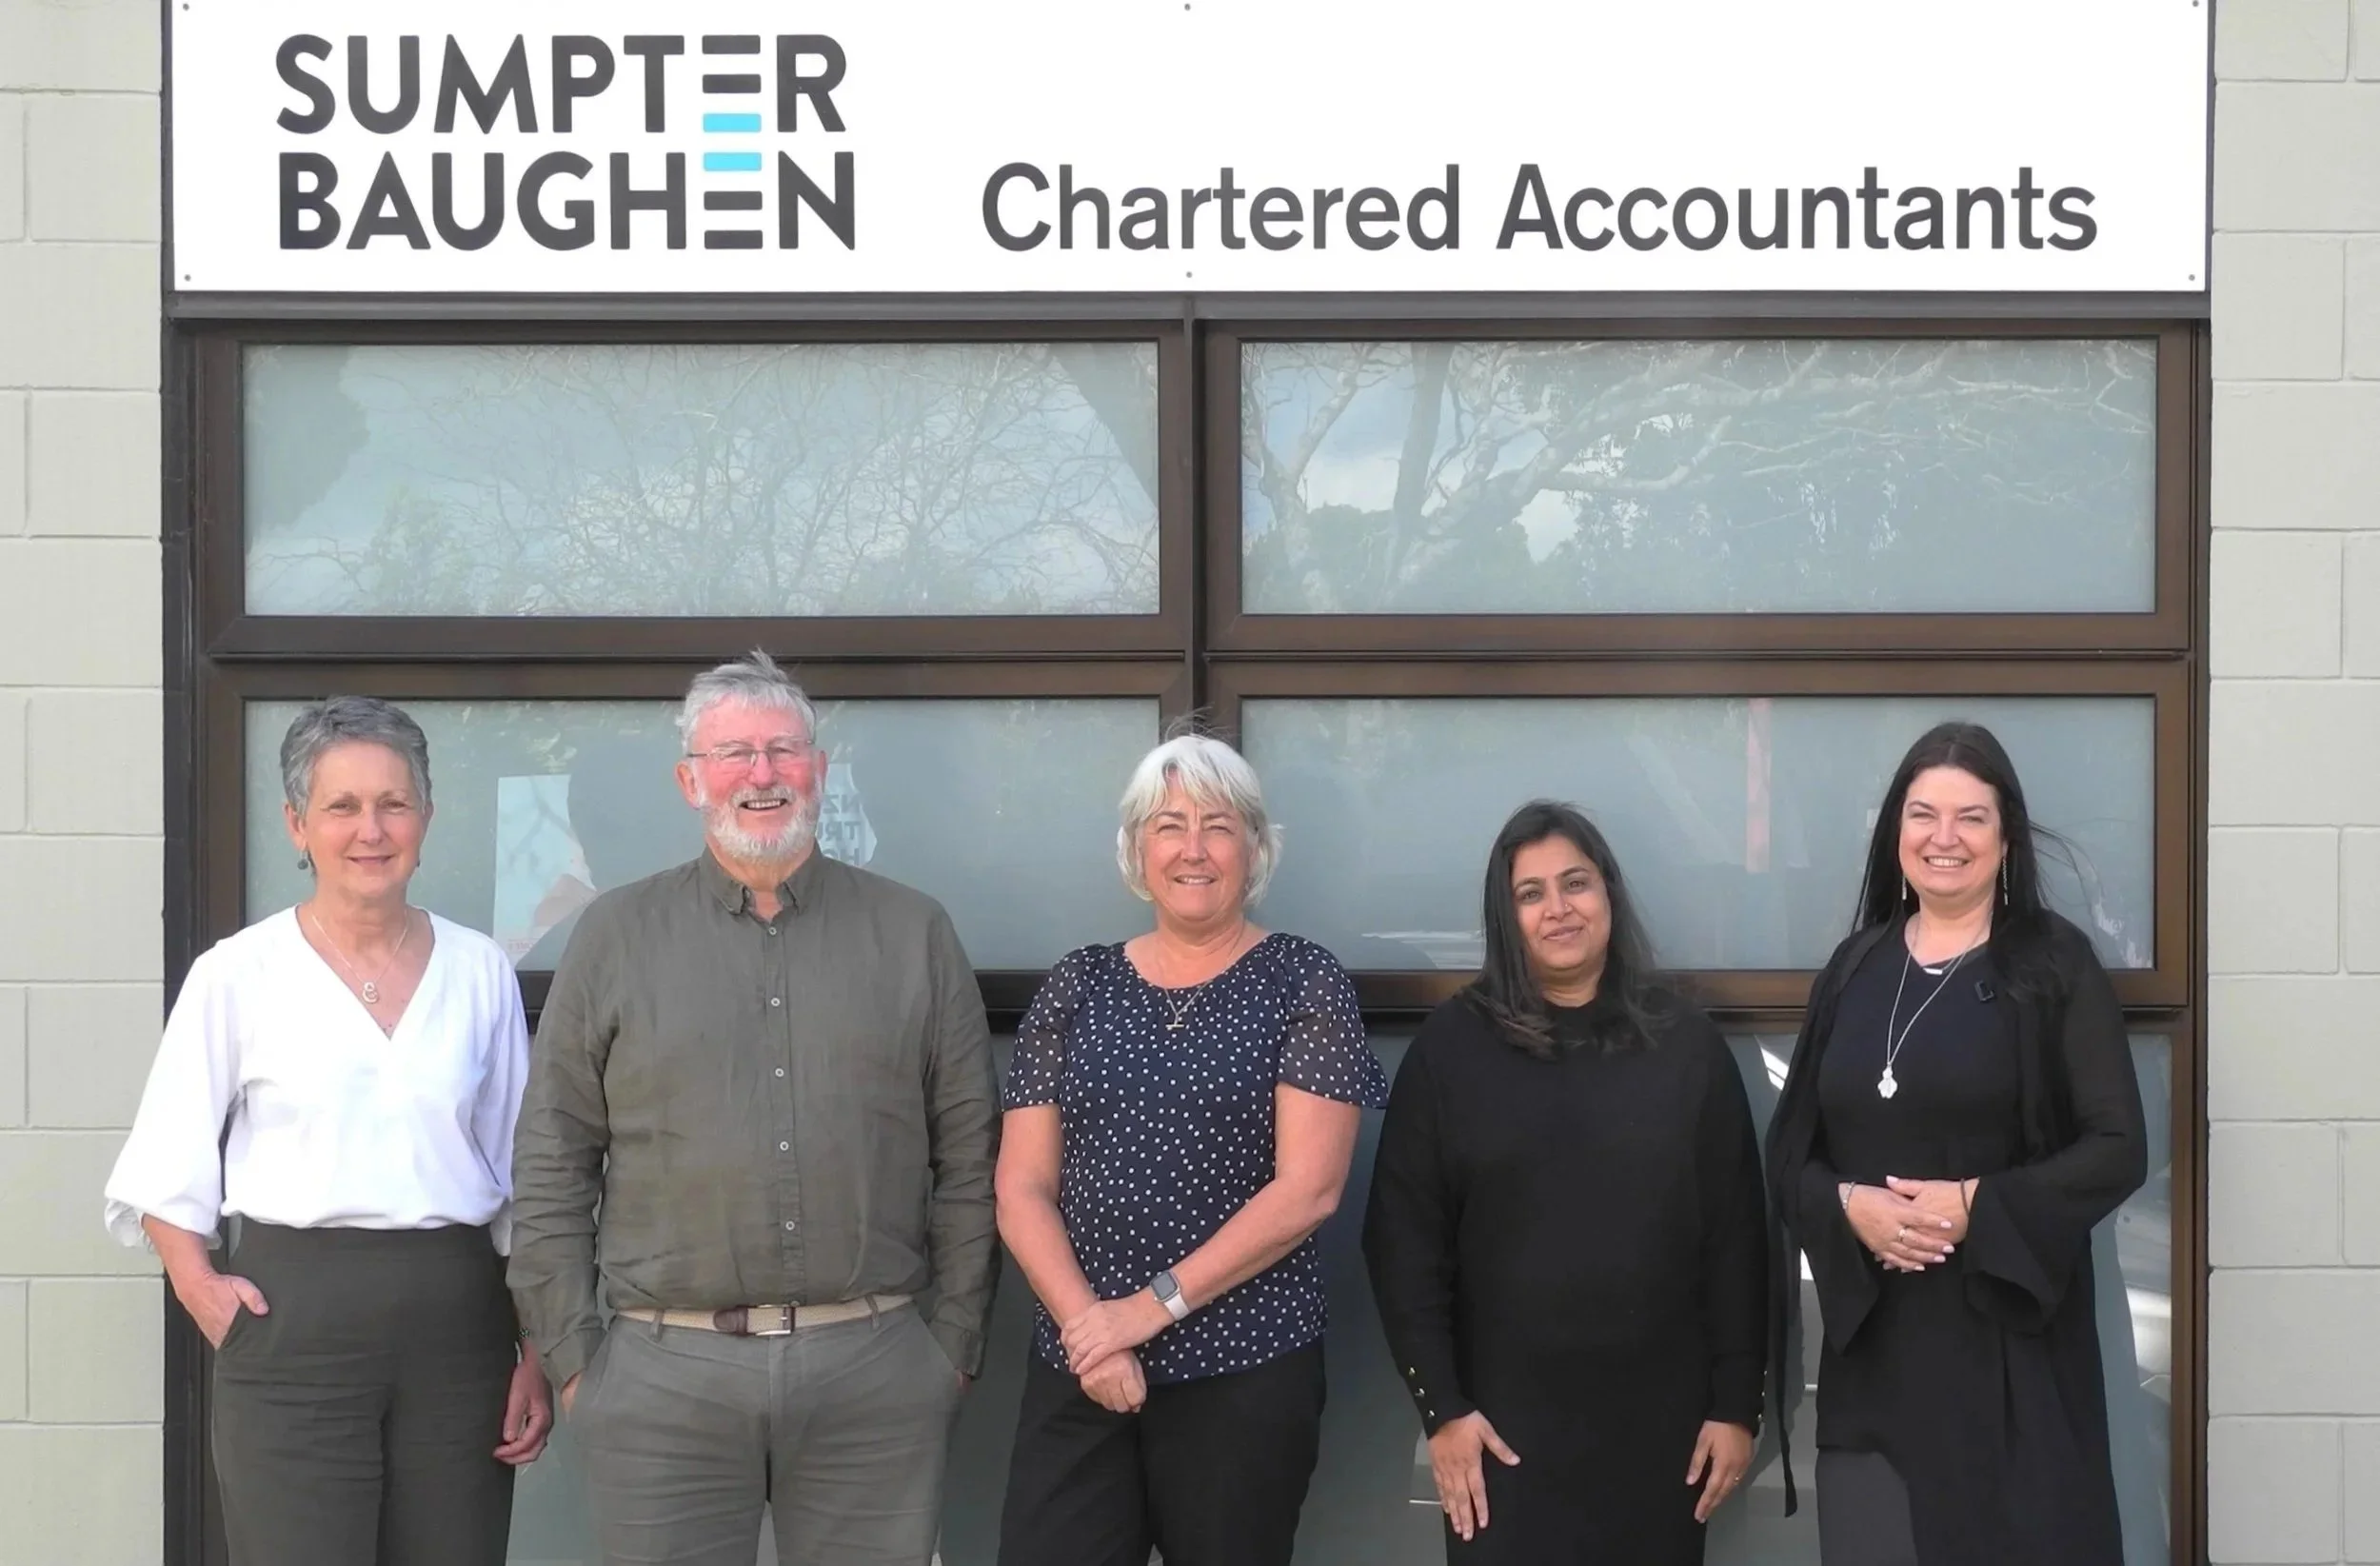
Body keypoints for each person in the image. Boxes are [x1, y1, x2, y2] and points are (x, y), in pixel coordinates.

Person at [508, 649, 999, 1566]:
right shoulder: (613, 935)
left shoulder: (914, 932)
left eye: (784, 749)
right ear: (690, 779)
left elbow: (970, 1158)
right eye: (733, 752)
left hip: (876, 1367)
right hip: (661, 1378)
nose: (761, 773)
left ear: (818, 768)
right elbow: (552, 1158)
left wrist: (952, 1346)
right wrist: (579, 1360)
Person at [103, 696, 548, 1566]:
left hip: (460, 1327)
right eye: (342, 806)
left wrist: (533, 1345)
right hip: (292, 1324)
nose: (370, 829)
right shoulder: (238, 972)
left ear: (426, 815)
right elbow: (165, 1160)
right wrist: (207, 1294)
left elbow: (521, 1174)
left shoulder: (479, 970)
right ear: (296, 823)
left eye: (393, 803)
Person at [993, 732, 1389, 1566]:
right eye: (1169, 824)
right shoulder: (1077, 983)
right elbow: (1021, 1187)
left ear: (1255, 847)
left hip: (1244, 1369)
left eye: (1218, 825)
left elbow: (1310, 1190)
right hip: (1081, 1363)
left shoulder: (1304, 980)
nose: (1194, 848)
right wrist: (1089, 1330)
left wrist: (1144, 1311)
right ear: (1139, 848)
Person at [1767, 722, 2148, 1566]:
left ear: (2006, 834)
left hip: (2012, 1360)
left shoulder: (2054, 965)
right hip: (1876, 1363)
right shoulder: (1853, 968)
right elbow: (1787, 1152)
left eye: (1971, 817)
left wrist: (1975, 1204)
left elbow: (2118, 1144)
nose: (1945, 838)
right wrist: (1848, 1204)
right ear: (1894, 831)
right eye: (1922, 814)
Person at [1361, 800, 1768, 1564]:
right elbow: (1401, 1245)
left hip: (1666, 1437)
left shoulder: (1688, 1047)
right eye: (1531, 892)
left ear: (1608, 891)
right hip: (1502, 1442)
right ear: (1506, 915)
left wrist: (1737, 1405)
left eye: (1575, 883)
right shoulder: (1451, 1051)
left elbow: (1739, 1240)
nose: (1558, 909)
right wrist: (1443, 1408)